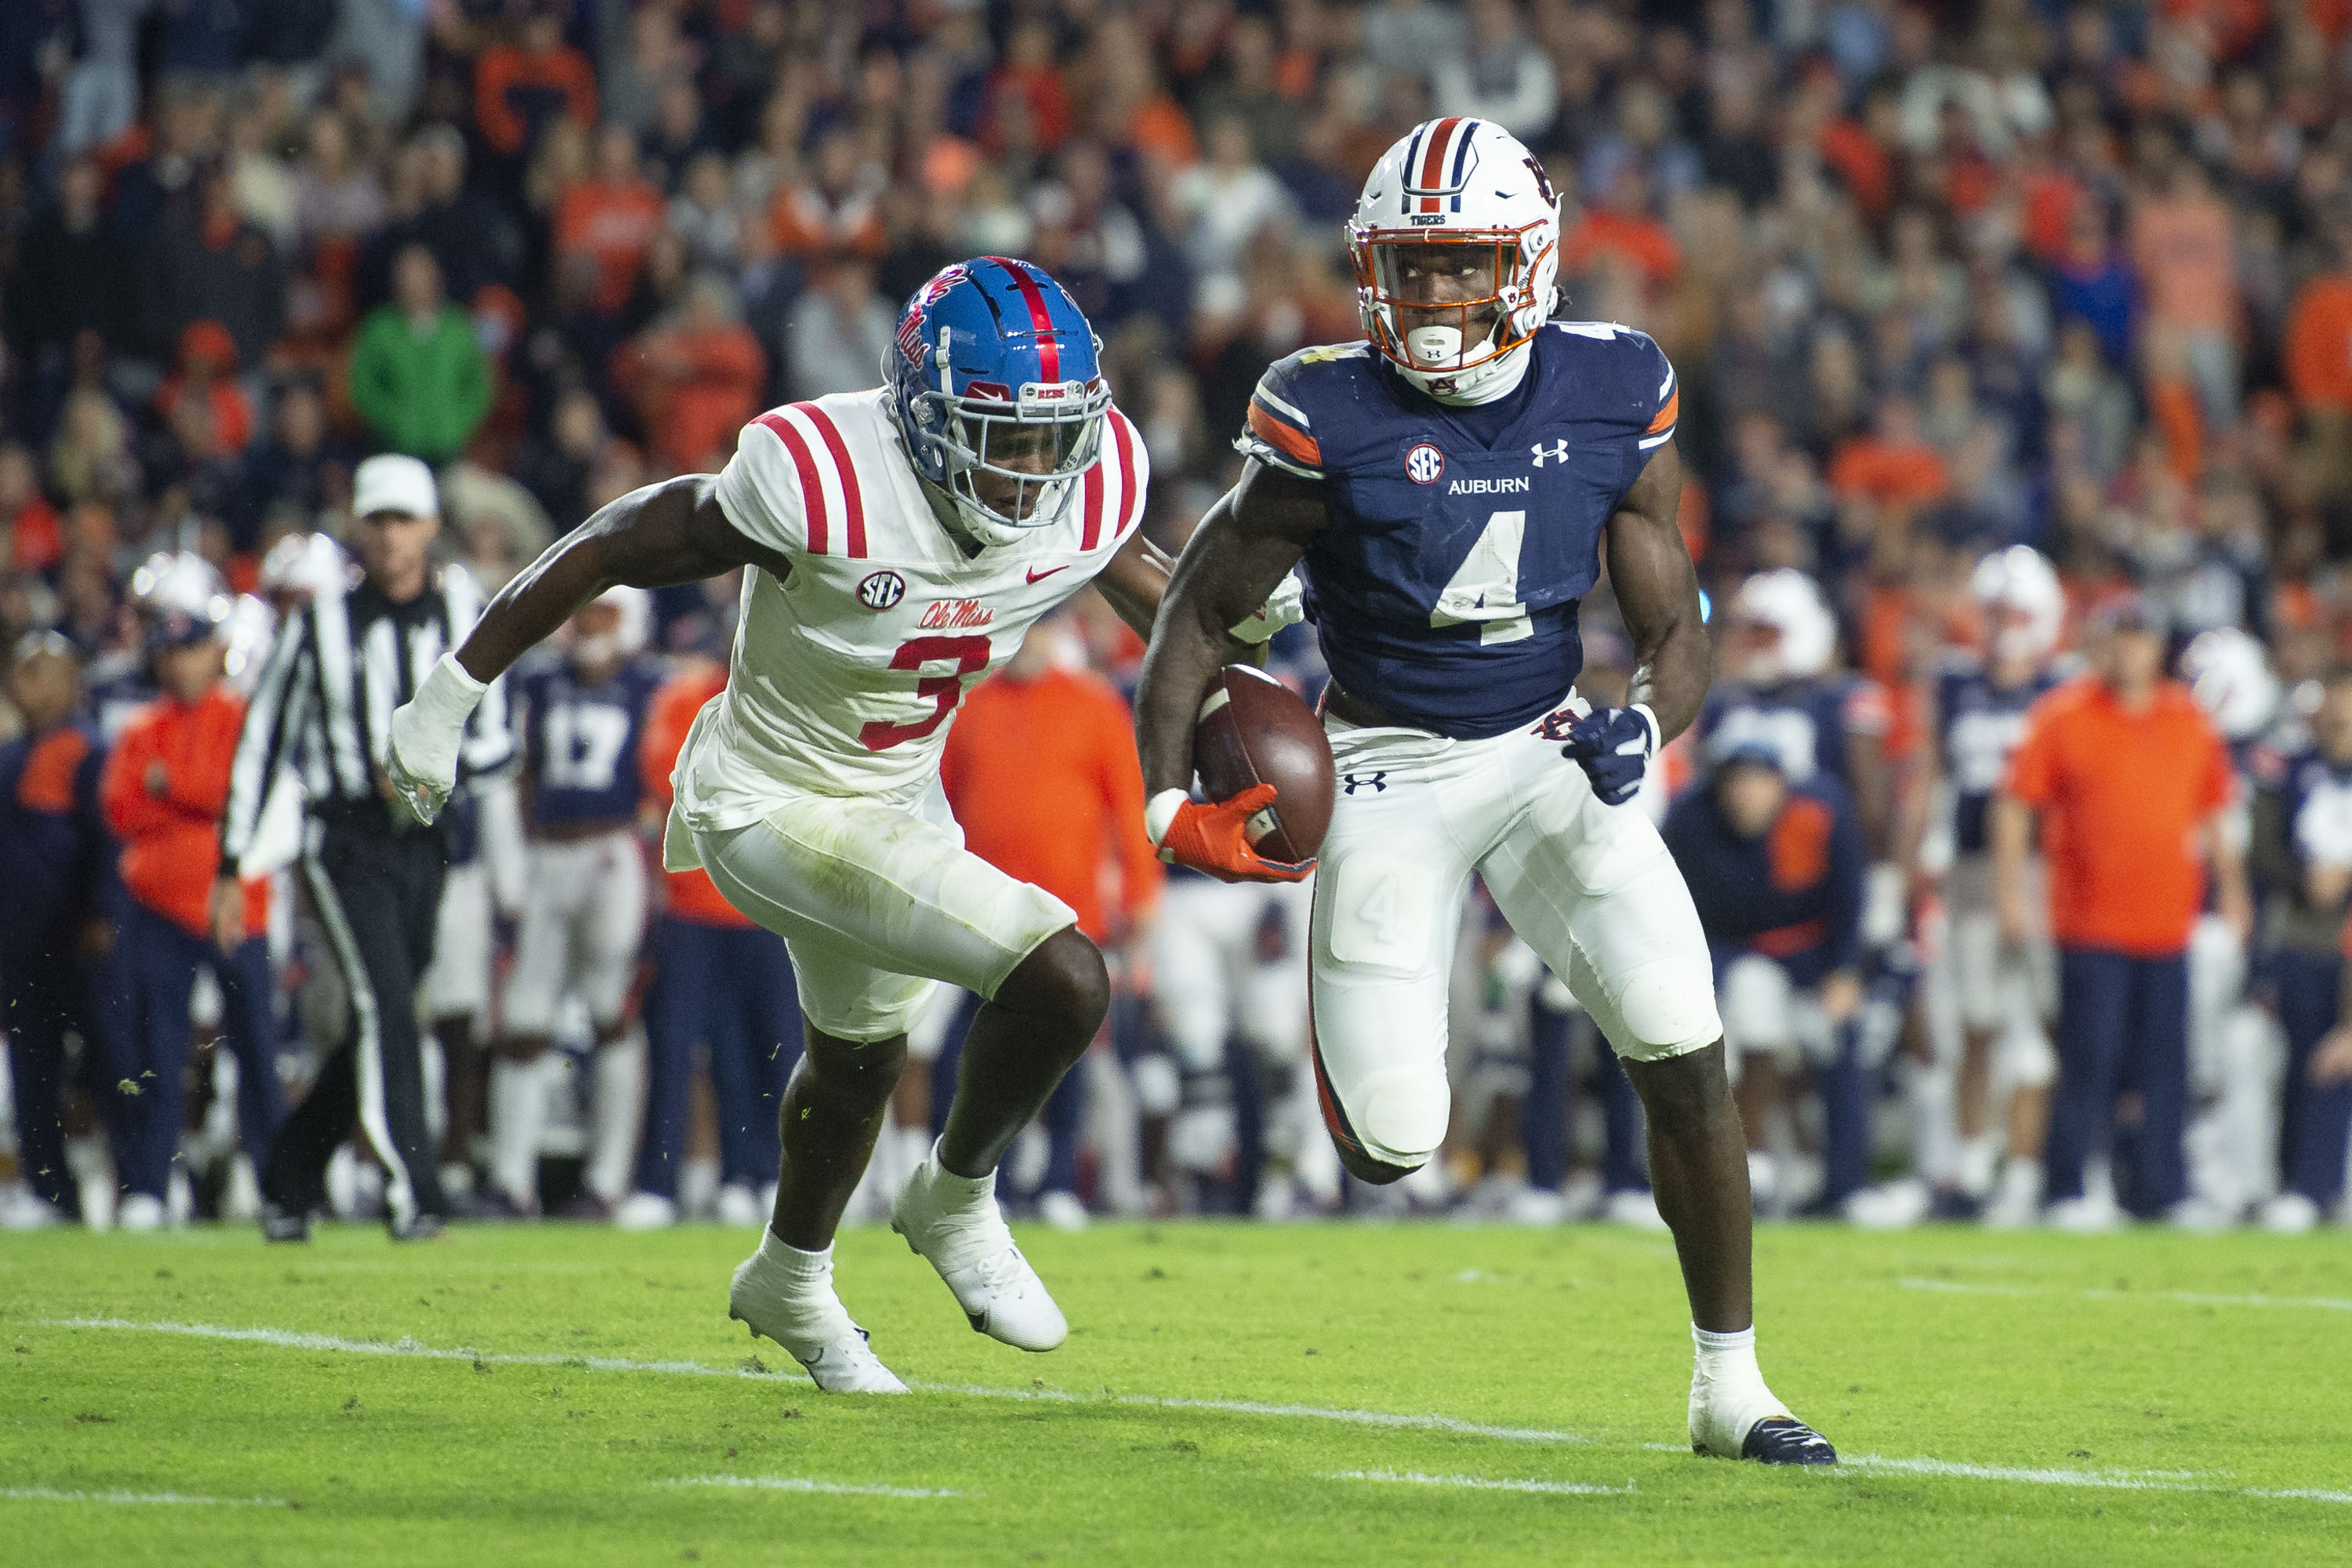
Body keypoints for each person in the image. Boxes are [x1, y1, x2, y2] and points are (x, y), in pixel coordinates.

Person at [381, 258, 1298, 1391]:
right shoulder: (821, 476)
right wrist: (452, 689)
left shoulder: (1088, 479)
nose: (1028, 470)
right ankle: (957, 1199)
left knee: (858, 1062)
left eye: (1050, 437)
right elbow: (621, 540)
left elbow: (1136, 572)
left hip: (898, 796)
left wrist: (1230, 643)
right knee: (1064, 975)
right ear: (919, 415)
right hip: (768, 798)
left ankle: (790, 1279)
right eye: (996, 436)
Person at [1132, 117, 1834, 1464]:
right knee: (1396, 1146)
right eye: (1412, 268)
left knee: (1687, 1050)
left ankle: (1731, 1385)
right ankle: (1357, 1075)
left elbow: (1678, 617)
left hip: (1551, 744)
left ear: (1531, 261)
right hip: (1384, 764)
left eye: (1463, 267)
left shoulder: (1617, 385)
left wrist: (1649, 729)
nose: (1436, 300)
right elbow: (1197, 620)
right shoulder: (1323, 410)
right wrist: (1169, 808)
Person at [217, 454, 515, 1241]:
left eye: (402, 520)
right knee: (385, 1004)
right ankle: (412, 1191)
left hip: (428, 837)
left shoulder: (466, 610)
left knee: (381, 1018)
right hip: (344, 837)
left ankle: (286, 1176)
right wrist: (230, 861)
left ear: (428, 526)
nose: (389, 537)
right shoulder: (318, 620)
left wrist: (427, 771)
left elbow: (498, 744)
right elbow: (262, 738)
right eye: (376, 520)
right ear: (359, 527)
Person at [1994, 597, 2249, 1229]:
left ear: (2157, 649)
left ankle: (2163, 1188)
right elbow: (2015, 804)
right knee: (2089, 1056)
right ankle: (2070, 1184)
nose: (2129, 652)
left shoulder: (2189, 721)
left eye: (2139, 640)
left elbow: (2215, 811)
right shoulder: (2063, 715)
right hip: (2089, 922)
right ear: (2101, 646)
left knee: (2168, 1061)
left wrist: (2234, 890)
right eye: (2119, 639)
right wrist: (2009, 892)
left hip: (2168, 921)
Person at [936, 611, 1168, 1229]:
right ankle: (988, 1181)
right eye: (1019, 630)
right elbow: (940, 807)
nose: (1028, 643)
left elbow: (1129, 806)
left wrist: (1143, 899)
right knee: (979, 1055)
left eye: (1038, 630)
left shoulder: (1093, 707)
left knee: (1067, 1055)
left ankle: (1061, 1179)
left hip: (1069, 917)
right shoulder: (969, 707)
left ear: (1056, 633)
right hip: (980, 914)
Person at [100, 554, 284, 1230]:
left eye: (192, 647)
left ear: (216, 649)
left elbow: (238, 796)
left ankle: (276, 1181)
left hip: (237, 906)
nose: (181, 663)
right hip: (158, 910)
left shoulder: (240, 717)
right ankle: (148, 1185)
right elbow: (119, 809)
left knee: (257, 1049)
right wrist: (190, 801)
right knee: (155, 1052)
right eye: (171, 650)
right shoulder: (142, 728)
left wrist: (169, 790)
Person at [486, 587, 662, 1218]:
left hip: (614, 853)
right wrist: (513, 869)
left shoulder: (650, 685)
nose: (587, 624)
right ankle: (510, 1181)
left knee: (609, 1011)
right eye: (581, 610)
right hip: (549, 856)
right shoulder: (537, 681)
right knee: (526, 1019)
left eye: (602, 613)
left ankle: (608, 1183)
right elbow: (518, 775)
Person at [617, 650, 802, 1232]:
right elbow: (673, 780)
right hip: (694, 906)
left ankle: (761, 1178)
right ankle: (659, 1181)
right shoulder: (684, 697)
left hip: (770, 907)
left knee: (773, 1052)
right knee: (674, 1050)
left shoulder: (795, 701)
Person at [1921, 546, 2069, 1225]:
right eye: (1995, 612)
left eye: (2016, 613)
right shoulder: (1953, 682)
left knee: (2037, 1028)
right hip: (1977, 868)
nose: (2004, 626)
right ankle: (1974, 1163)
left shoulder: (2066, 689)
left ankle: (2029, 1172)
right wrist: (1920, 858)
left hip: (2053, 873)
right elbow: (1931, 774)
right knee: (1976, 1022)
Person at [1666, 738, 1867, 1218]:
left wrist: (1844, 970)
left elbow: (1849, 897)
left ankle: (1841, 1181)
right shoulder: (1691, 821)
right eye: (1737, 781)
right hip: (1723, 955)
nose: (1748, 794)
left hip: (1809, 957)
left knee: (1839, 1039)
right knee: (1739, 1029)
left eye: (1759, 781)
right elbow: (1672, 908)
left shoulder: (1818, 814)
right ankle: (1742, 1168)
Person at [0, 634, 111, 1229]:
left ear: (71, 680)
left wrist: (100, 915)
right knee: (32, 1071)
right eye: (21, 672)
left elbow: (103, 842)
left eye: (41, 672)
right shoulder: (11, 755)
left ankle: (137, 1183)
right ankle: (50, 1191)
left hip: (76, 936)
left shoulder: (88, 749)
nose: (27, 684)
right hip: (20, 943)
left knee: (107, 1061)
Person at [2249, 664, 2352, 1232]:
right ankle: (2296, 1180)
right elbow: (2261, 851)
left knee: (2335, 1060)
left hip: (2345, 941)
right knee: (2300, 1063)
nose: (2341, 721)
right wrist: (2304, 879)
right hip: (2297, 938)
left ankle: (2315, 1184)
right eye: (2334, 709)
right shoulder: (2287, 772)